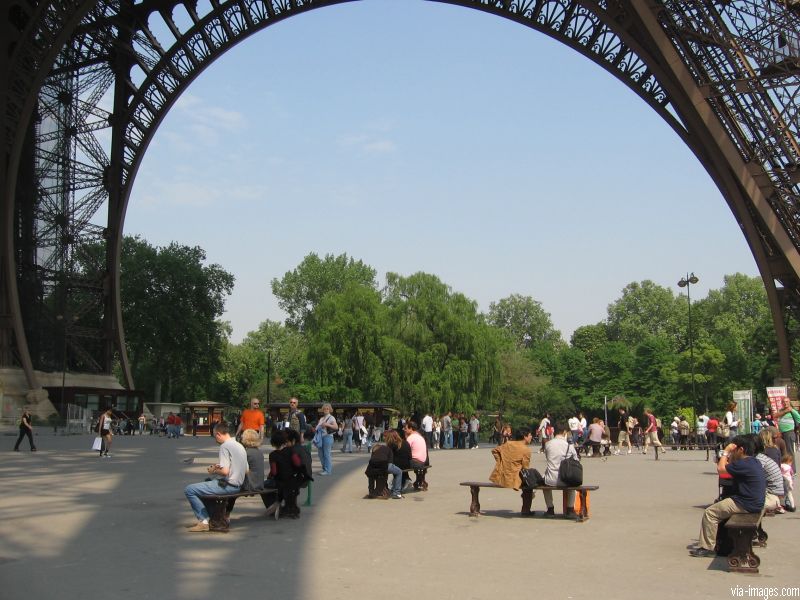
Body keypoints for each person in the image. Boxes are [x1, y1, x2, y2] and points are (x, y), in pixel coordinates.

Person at [689, 435, 766, 557]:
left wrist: (725, 452)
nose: (732, 452)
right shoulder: (753, 461)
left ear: (741, 450)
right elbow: (729, 468)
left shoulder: (744, 463)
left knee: (710, 513)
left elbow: (721, 469)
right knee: (720, 506)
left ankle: (707, 547)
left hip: (746, 503)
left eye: (734, 450)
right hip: (755, 502)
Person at [184, 422, 248, 532]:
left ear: (218, 434)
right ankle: (215, 517)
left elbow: (224, 471)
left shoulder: (225, 446)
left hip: (229, 485)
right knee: (205, 485)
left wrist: (214, 469)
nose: (215, 440)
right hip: (238, 484)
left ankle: (203, 521)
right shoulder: (239, 445)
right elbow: (246, 469)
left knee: (190, 489)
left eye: (215, 437)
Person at [226, 429, 277, 520]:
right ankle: (272, 506)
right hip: (259, 484)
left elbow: (238, 469)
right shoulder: (259, 452)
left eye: (242, 437)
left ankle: (226, 514)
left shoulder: (246, 453)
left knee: (230, 490)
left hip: (250, 485)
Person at [541, 422, 580, 517]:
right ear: (565, 432)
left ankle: (550, 509)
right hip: (565, 479)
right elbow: (576, 460)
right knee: (572, 485)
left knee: (544, 483)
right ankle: (570, 509)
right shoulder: (569, 446)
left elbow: (547, 458)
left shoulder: (548, 444)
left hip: (551, 479)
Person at [404, 420, 429, 490]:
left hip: (416, 462)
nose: (404, 430)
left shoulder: (411, 437)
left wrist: (406, 438)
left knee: (399, 464)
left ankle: (406, 480)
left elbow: (405, 450)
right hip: (423, 462)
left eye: (406, 428)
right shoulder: (420, 437)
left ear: (411, 428)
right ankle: (407, 480)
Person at [314, 403, 337, 475]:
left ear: (330, 409)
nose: (326, 410)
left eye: (327, 408)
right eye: (324, 409)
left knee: (326, 454)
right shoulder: (321, 418)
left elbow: (336, 427)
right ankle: (324, 469)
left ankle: (328, 470)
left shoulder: (331, 418)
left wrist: (327, 424)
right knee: (320, 454)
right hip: (320, 437)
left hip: (328, 437)